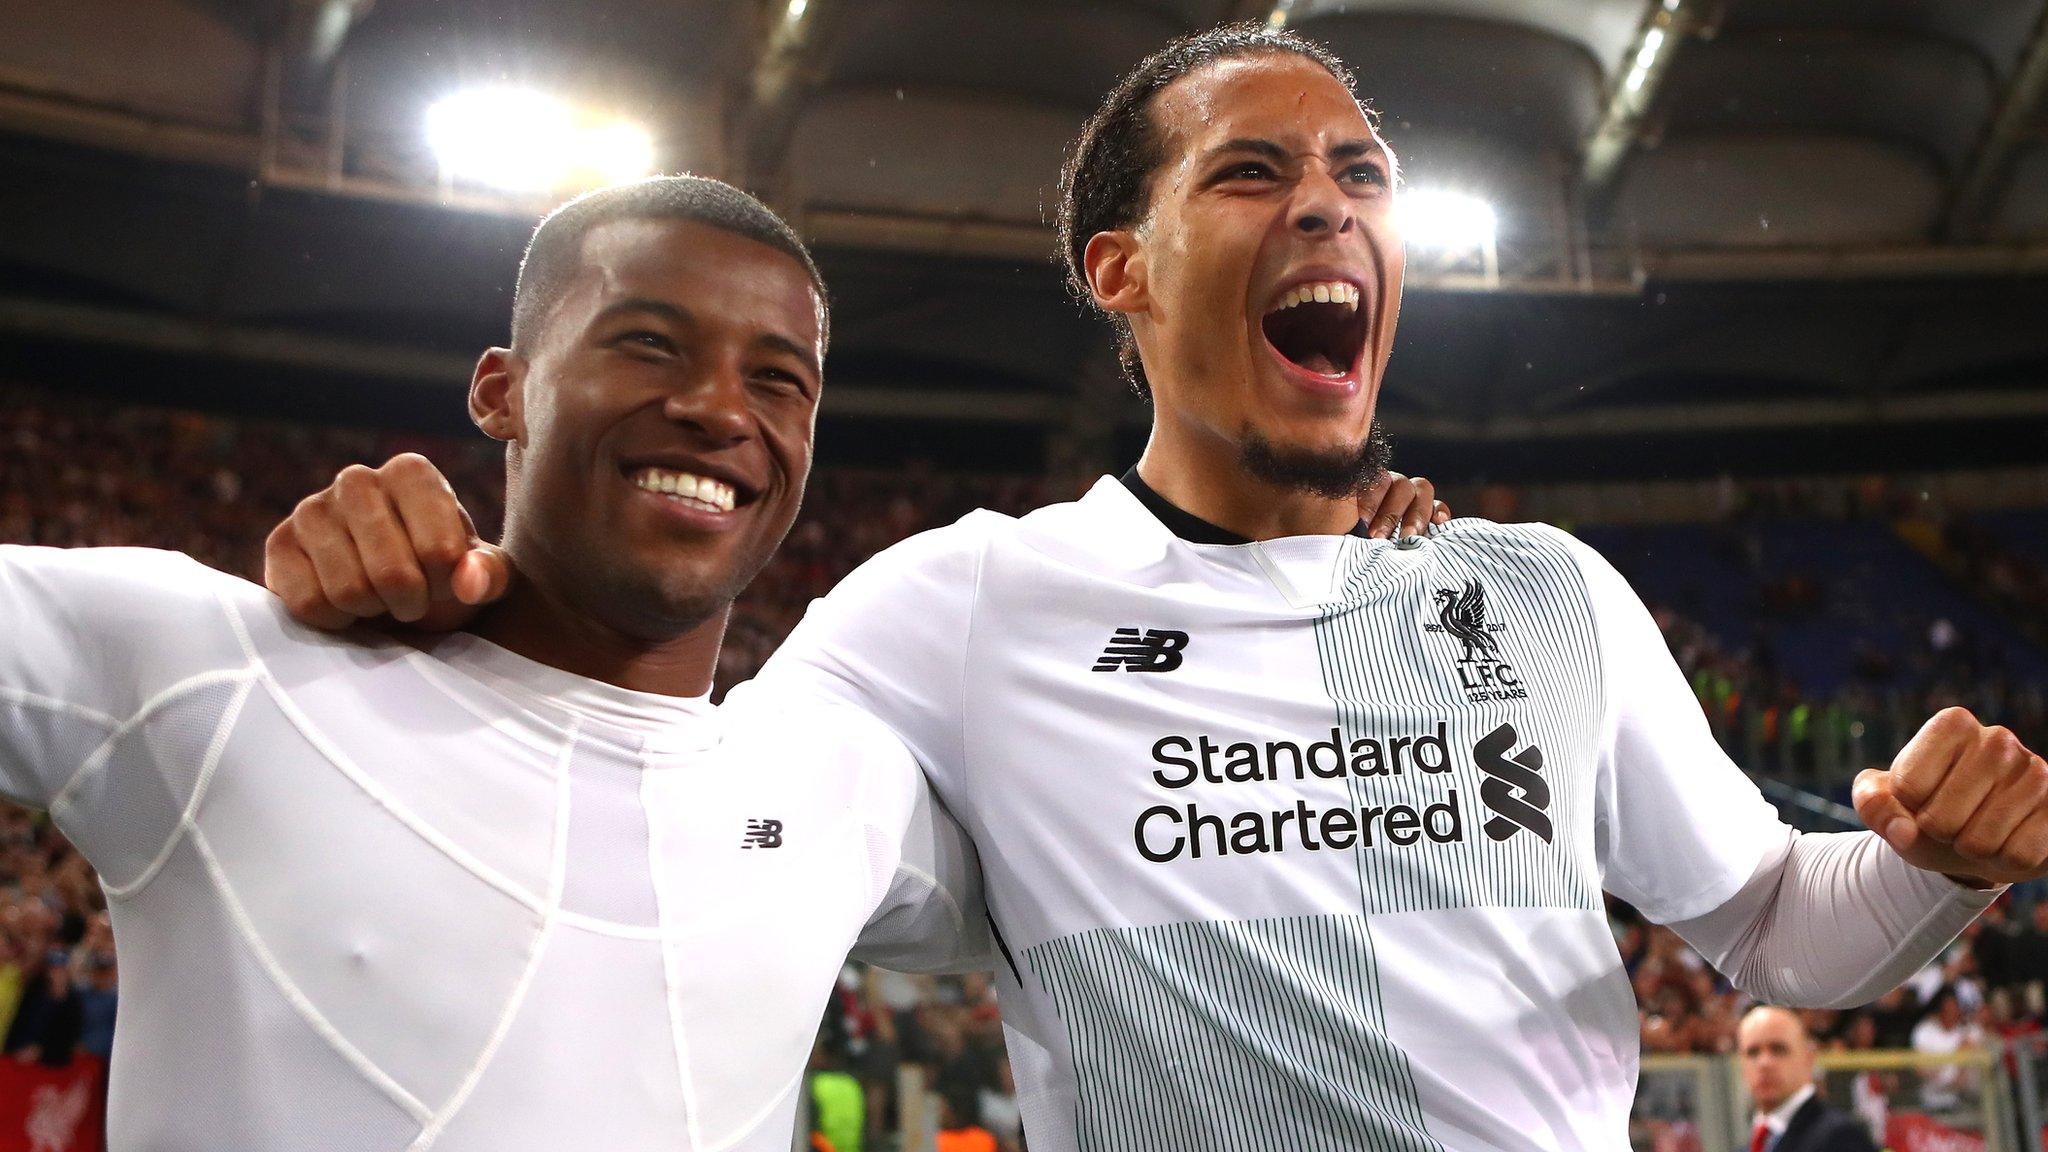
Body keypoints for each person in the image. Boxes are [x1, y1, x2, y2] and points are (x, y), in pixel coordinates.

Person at [264, 23, 2048, 1152]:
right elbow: (677, 807)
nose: (1329, 210)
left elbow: (1772, 922)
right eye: (1254, 171)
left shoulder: (1544, 594)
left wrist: (1929, 865)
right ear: (1122, 269)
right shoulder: (962, 604)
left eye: (1362, 175)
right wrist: (461, 610)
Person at [0, 175, 1002, 1150]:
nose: (718, 409)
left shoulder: (846, 795)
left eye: (777, 379)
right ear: (501, 390)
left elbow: (1116, 892)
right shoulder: (215, 670)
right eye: (650, 344)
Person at [1736, 1006, 1876, 1152]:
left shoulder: (1841, 1137)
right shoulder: (1750, 1145)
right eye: (1752, 1052)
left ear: (1808, 1058)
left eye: (1778, 1049)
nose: (1764, 1063)